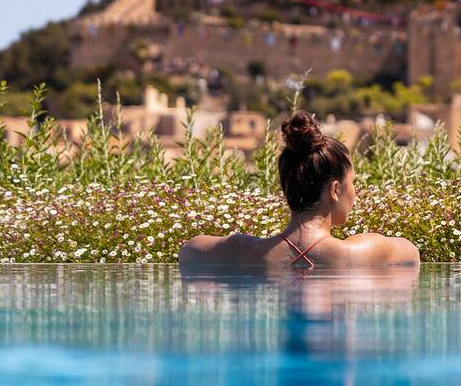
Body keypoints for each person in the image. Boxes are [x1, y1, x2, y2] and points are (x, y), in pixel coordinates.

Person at [179, 110, 420, 268]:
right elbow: (412, 253)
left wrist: (239, 244)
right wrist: (361, 240)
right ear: (335, 190)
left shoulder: (243, 251)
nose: (355, 193)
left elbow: (188, 251)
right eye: (353, 183)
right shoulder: (358, 253)